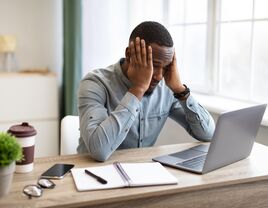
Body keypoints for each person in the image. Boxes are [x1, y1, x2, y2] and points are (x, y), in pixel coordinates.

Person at [77, 21, 215, 161]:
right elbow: (99, 151)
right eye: (153, 65)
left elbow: (209, 135)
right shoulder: (95, 83)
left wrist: (181, 90)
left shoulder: (167, 88)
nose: (159, 76)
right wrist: (138, 89)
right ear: (130, 55)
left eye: (166, 67)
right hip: (93, 173)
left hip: (143, 172)